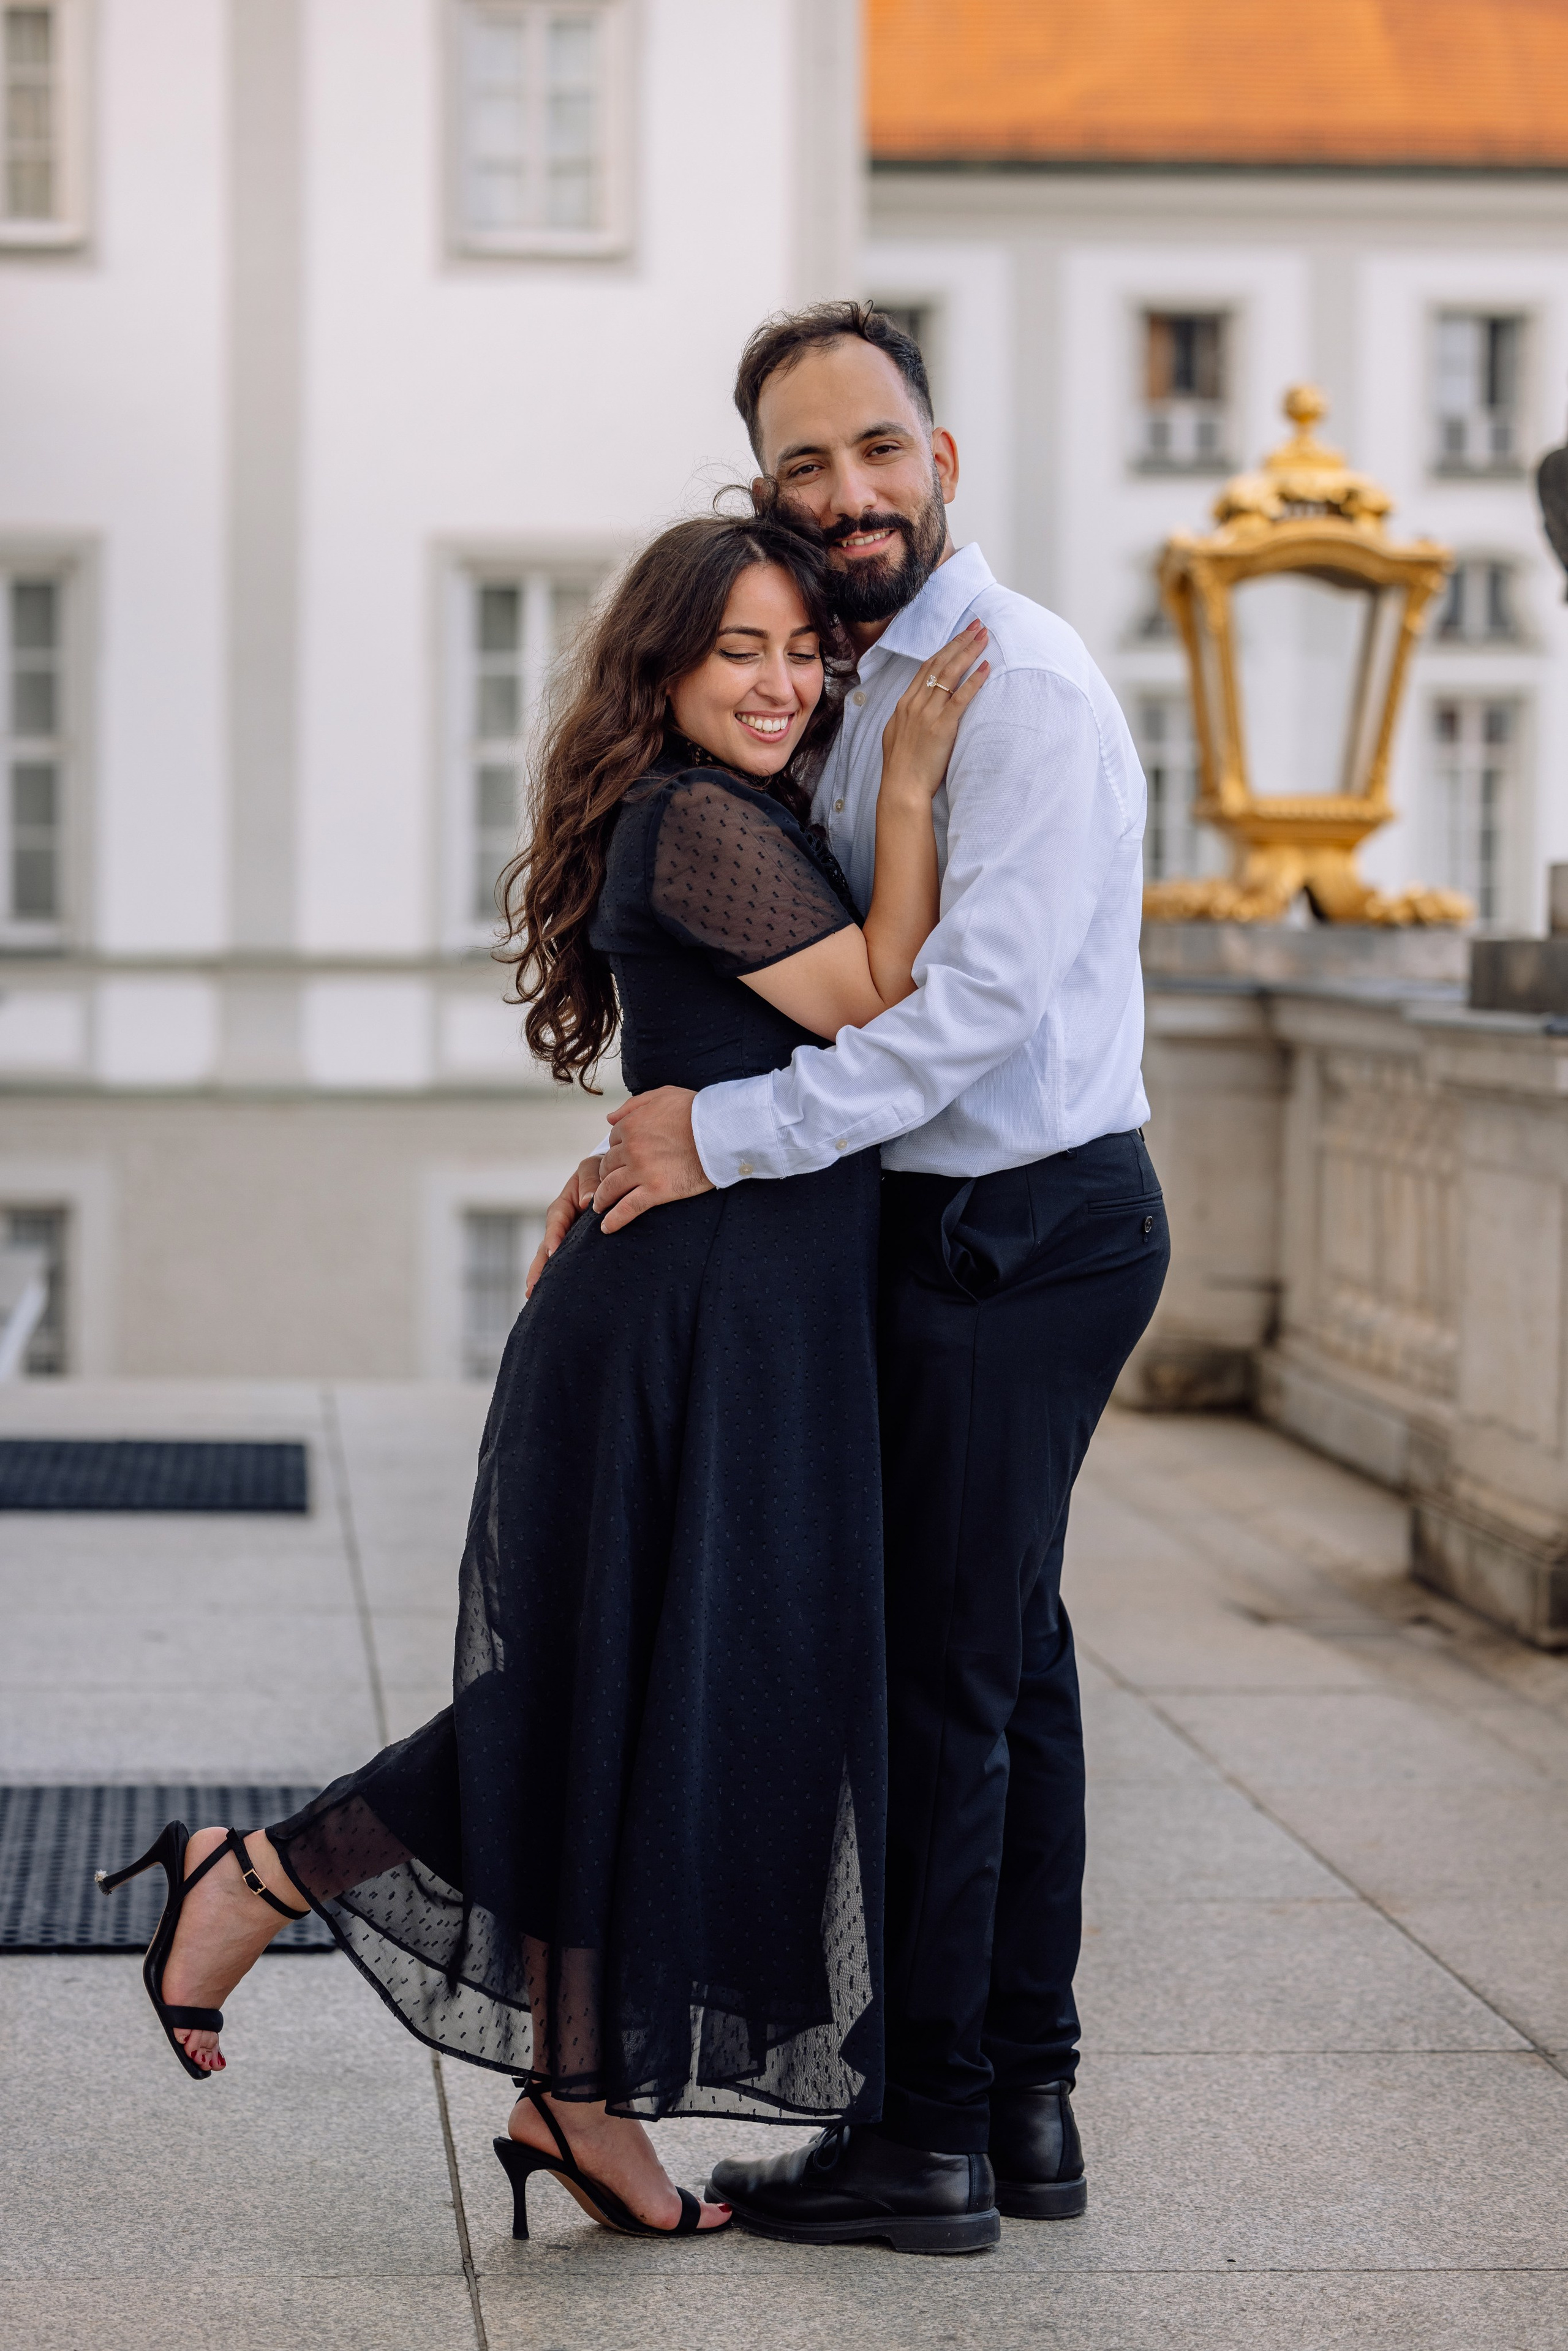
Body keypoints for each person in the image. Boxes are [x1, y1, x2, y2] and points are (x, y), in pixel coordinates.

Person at [96, 506, 994, 2251]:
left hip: (735, 1308)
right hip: (687, 1327)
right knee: (612, 1696)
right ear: (661, 665)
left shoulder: (731, 813)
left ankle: (570, 2099)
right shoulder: (695, 820)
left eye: (805, 651)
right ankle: (262, 1877)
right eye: (743, 647)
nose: (783, 679)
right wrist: (914, 780)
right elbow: (886, 994)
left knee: (662, 1697)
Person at [532, 303, 1171, 2247]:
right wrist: (671, 1121)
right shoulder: (841, 676)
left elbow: (956, 1014)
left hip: (1024, 1229)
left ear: (943, 454)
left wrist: (712, 1139)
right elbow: (773, 966)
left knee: (942, 1694)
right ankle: (1024, 2106)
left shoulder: (1020, 687)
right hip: (941, 1235)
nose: (847, 496)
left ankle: (931, 2136)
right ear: (766, 490)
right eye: (803, 466)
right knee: (1009, 1671)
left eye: (876, 451)